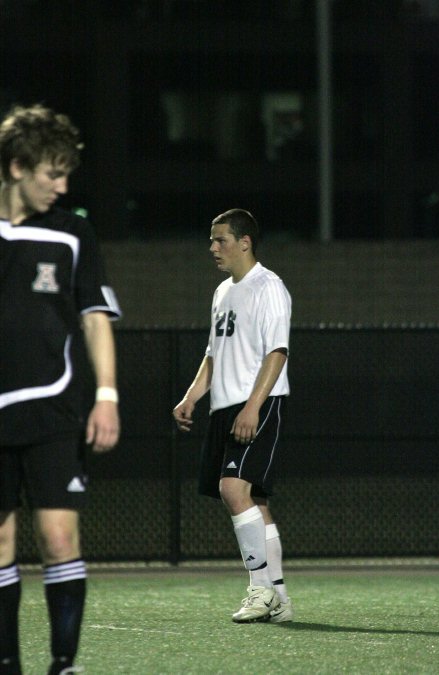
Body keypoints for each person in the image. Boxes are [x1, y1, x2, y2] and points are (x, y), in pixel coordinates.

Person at [0, 104, 121, 675]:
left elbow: (95, 316)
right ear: (18, 166)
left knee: (56, 536)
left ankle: (63, 665)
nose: (63, 184)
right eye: (53, 172)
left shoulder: (73, 231)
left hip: (54, 407)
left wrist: (107, 396)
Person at [173, 208, 293, 623]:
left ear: (245, 242)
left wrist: (253, 407)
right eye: (212, 239)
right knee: (254, 501)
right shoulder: (223, 291)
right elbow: (213, 353)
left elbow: (277, 352)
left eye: (220, 239)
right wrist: (191, 397)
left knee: (233, 490)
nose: (213, 247)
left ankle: (260, 589)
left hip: (256, 405)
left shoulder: (269, 287)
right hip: (226, 408)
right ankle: (279, 597)